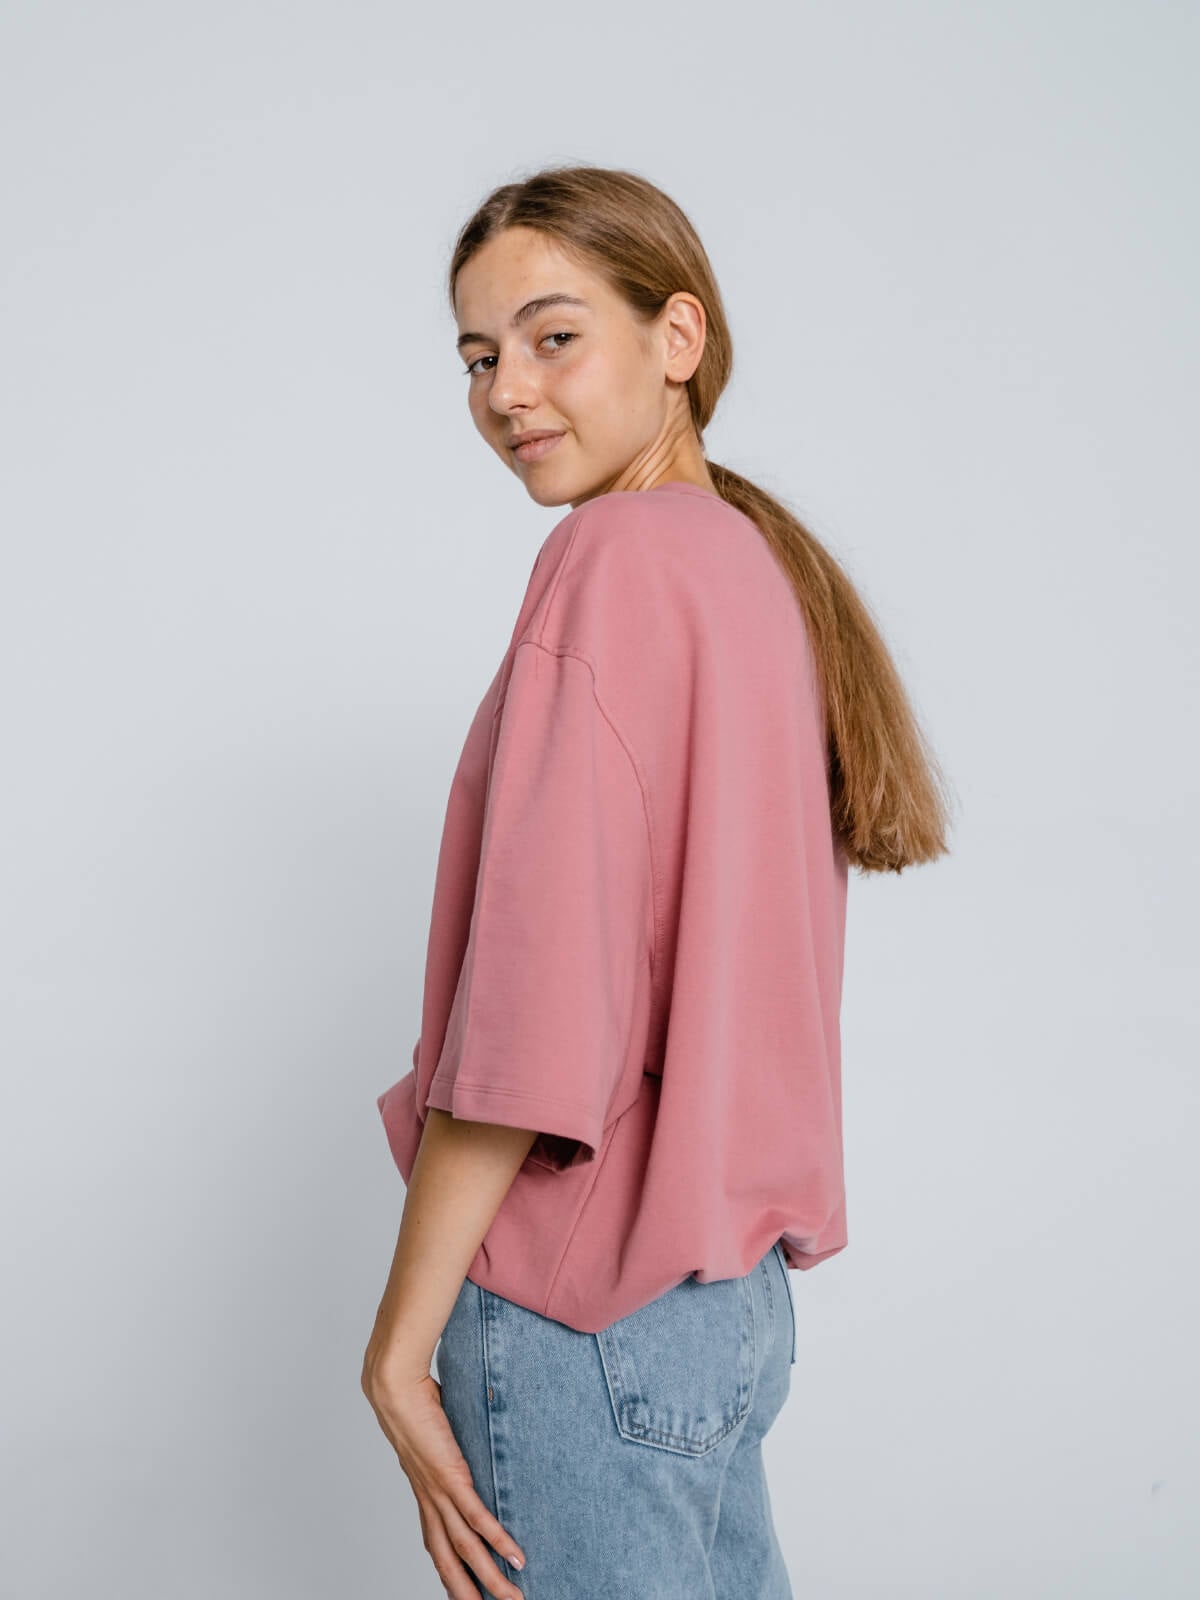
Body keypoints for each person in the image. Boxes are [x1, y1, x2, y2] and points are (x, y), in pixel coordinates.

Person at [360, 164, 950, 1600]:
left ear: (677, 336)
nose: (508, 391)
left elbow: (535, 1022)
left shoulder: (612, 559)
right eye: (478, 357)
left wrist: (396, 1346)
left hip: (587, 1314)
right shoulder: (750, 565)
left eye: (553, 336)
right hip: (723, 1313)